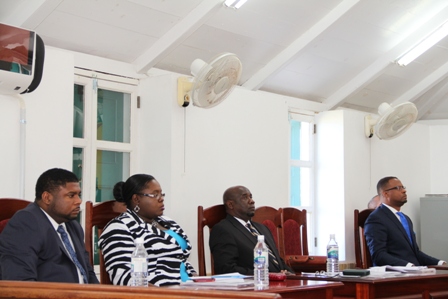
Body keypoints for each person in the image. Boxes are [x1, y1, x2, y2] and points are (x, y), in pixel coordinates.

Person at [0, 168, 98, 283]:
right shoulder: (26, 222)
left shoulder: (73, 226)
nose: (79, 201)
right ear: (47, 197)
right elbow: (20, 282)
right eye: (71, 196)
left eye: (78, 195)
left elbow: (87, 272)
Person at [98, 174, 196, 286]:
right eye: (154, 195)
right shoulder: (119, 228)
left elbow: (181, 259)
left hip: (188, 289)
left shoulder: (168, 222)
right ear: (136, 199)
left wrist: (199, 282)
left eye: (161, 194)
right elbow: (125, 278)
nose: (161, 199)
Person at [209, 185, 293, 275]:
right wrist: (264, 275)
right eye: (245, 198)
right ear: (231, 205)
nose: (252, 201)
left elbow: (277, 261)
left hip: (279, 283)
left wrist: (290, 273)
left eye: (251, 197)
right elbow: (226, 269)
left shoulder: (263, 228)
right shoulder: (223, 230)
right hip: (252, 285)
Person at [364, 176, 447, 267]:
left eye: (403, 187)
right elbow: (378, 255)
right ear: (385, 194)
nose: (404, 191)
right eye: (398, 188)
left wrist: (440, 263)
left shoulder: (405, 219)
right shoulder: (376, 218)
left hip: (414, 272)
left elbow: (415, 253)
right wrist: (408, 266)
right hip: (395, 276)